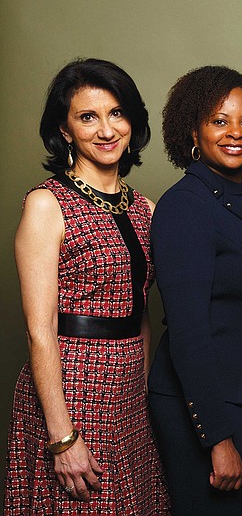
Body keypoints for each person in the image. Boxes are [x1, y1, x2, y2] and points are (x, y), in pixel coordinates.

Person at [4, 58, 170, 514]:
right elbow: (41, 330)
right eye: (87, 117)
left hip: (130, 396)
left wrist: (144, 397)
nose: (106, 129)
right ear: (65, 130)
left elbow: (141, 316)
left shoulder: (146, 209)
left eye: (116, 113)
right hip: (73, 391)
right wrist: (62, 437)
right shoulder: (46, 204)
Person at [147, 65, 242, 516]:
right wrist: (217, 437)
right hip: (209, 408)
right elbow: (188, 331)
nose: (235, 133)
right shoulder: (185, 205)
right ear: (193, 129)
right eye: (219, 120)